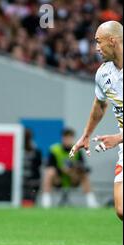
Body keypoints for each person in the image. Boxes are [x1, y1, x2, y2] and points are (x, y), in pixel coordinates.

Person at [70, 21, 123, 221]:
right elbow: (100, 105)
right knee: (121, 210)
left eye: (99, 42)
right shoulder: (103, 73)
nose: (96, 48)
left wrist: (118, 138)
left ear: (112, 41)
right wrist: (86, 134)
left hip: (121, 139)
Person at [41, 128, 99, 208]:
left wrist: (75, 169)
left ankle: (91, 202)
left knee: (84, 175)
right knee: (49, 172)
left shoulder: (77, 149)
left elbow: (84, 167)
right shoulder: (54, 149)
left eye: (70, 138)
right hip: (58, 179)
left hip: (73, 178)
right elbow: (49, 166)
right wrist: (62, 169)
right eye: (66, 138)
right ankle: (46, 202)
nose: (68, 140)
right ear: (62, 138)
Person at [22, 128, 42, 206]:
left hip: (32, 180)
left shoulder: (36, 151)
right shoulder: (17, 149)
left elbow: (37, 166)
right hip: (21, 180)